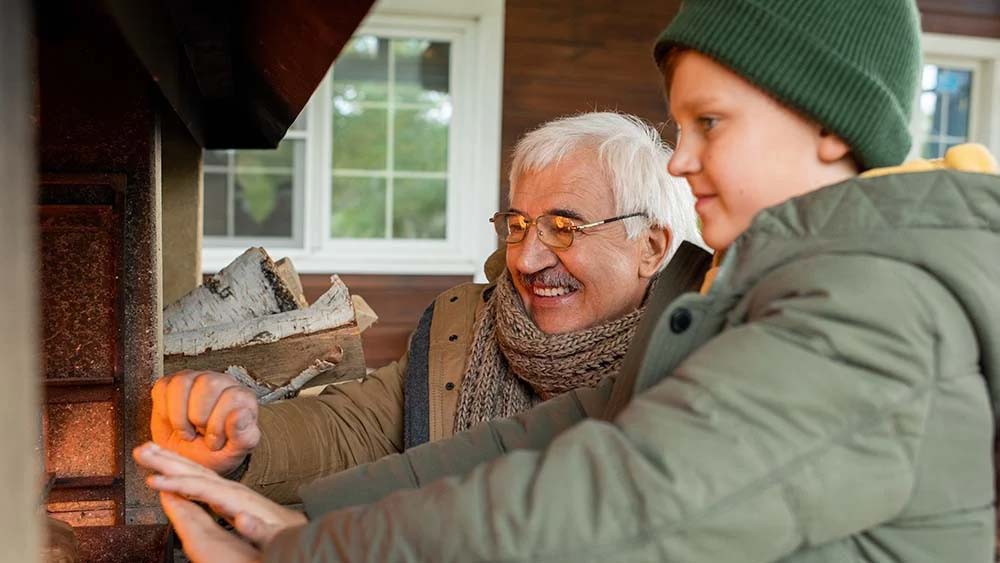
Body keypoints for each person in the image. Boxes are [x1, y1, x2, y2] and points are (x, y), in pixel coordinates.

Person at [135, 0, 1000, 560]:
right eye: (517, 223)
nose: (682, 157)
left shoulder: (869, 303)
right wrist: (294, 511)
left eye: (710, 122)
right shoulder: (748, 295)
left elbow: (617, 498)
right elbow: (536, 443)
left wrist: (306, 554)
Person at [149, 111, 706, 503]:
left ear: (651, 248)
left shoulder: (707, 363)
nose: (529, 258)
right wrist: (241, 439)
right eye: (517, 225)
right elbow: (354, 430)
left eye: (563, 227)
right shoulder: (462, 326)